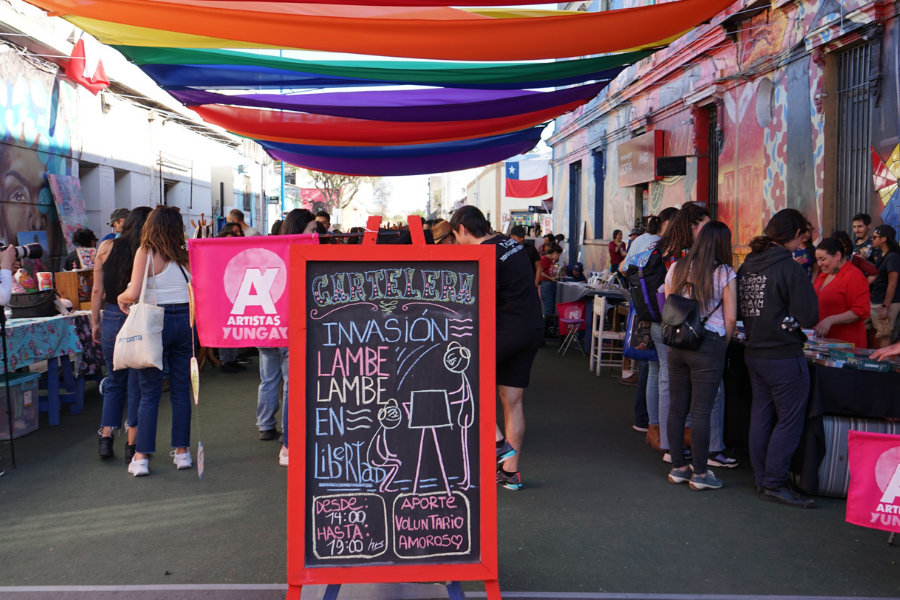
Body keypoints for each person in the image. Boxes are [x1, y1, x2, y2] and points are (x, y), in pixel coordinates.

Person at [450, 206, 543, 491]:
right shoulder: (509, 244)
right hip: (531, 329)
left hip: (507, 331)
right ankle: (509, 473)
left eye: (455, 236)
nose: (455, 243)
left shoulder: (484, 254)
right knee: (512, 401)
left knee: (459, 377)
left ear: (463, 229)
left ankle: (497, 444)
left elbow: (479, 301)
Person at [738, 208, 819, 508]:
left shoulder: (748, 266)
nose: (803, 245)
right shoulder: (789, 268)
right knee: (788, 420)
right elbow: (810, 315)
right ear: (796, 235)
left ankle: (763, 479)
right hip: (783, 356)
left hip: (754, 351)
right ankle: (773, 483)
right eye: (803, 239)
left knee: (761, 415)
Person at [118, 206, 194, 477]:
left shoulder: (146, 252)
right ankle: (182, 453)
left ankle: (141, 457)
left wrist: (121, 297)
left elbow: (134, 291)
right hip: (185, 321)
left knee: (149, 392)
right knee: (181, 390)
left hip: (155, 322)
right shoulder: (186, 254)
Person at [665, 221, 737, 491]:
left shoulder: (677, 266)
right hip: (708, 345)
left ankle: (678, 468)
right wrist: (723, 343)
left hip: (677, 344)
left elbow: (672, 306)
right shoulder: (725, 272)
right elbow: (730, 318)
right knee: (701, 412)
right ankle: (701, 474)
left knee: (676, 407)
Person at [92, 207, 152, 463]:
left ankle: (106, 438)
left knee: (114, 380)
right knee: (136, 383)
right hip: (139, 317)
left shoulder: (105, 248)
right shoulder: (149, 250)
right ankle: (132, 445)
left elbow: (96, 290)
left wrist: (95, 321)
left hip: (112, 316)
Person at [651, 202, 710, 456]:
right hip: (682, 324)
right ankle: (676, 443)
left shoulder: (664, 249)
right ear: (694, 226)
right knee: (678, 387)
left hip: (664, 321)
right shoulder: (684, 255)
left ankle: (669, 444)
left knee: (667, 383)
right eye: (705, 226)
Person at [263, 209, 317, 463]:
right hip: (289, 328)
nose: (316, 234)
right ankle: (288, 444)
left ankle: (266, 426)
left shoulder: (271, 250)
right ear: (300, 230)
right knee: (291, 388)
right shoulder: (304, 254)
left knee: (270, 380)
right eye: (313, 230)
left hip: (266, 327)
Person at [812, 237, 870, 348]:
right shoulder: (823, 275)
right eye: (817, 260)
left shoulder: (854, 275)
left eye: (823, 259)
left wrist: (830, 320)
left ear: (837, 256)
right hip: (824, 341)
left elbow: (861, 311)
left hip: (845, 342)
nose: (819, 264)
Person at [868, 225, 900, 348]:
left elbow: (892, 284)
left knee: (885, 333)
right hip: (878, 299)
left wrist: (885, 306)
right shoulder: (883, 255)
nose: (872, 239)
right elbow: (874, 275)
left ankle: (883, 363)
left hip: (887, 302)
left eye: (875, 237)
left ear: (884, 239)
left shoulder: (892, 257)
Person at [539, 243, 561, 329]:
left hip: (550, 284)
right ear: (555, 252)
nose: (558, 257)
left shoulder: (550, 261)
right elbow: (540, 272)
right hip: (547, 284)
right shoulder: (544, 259)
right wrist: (550, 278)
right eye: (558, 254)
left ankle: (548, 331)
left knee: (550, 309)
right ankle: (545, 332)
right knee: (548, 310)